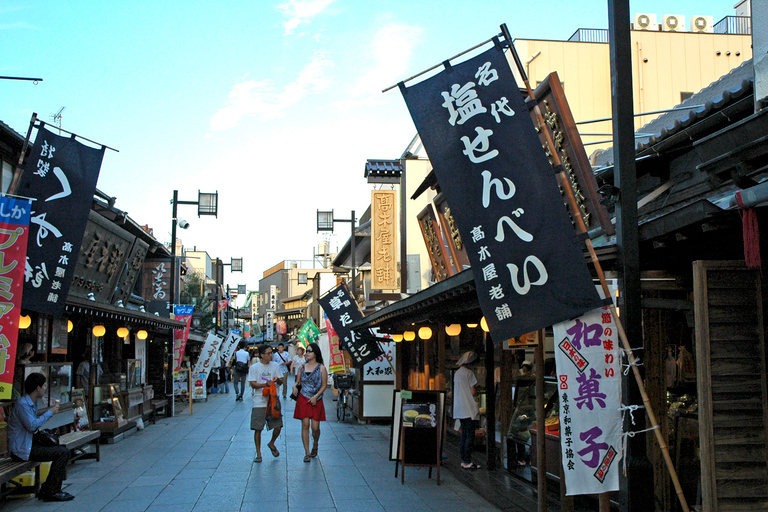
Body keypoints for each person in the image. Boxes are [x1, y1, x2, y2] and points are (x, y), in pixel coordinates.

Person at [7, 373, 73, 502]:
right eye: (43, 386)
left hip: (28, 445)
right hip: (21, 450)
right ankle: (51, 491)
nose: (45, 389)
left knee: (61, 449)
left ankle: (48, 489)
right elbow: (31, 426)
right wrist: (49, 413)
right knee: (62, 453)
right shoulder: (23, 405)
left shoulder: (31, 403)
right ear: (37, 388)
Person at [247, 344, 283, 462]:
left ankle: (272, 443)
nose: (270, 355)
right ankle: (258, 453)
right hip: (259, 401)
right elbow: (252, 383)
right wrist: (264, 385)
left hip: (273, 401)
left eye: (271, 352)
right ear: (261, 355)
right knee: (258, 428)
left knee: (278, 426)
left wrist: (278, 380)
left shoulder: (275, 366)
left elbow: (281, 380)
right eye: (268, 353)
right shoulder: (254, 367)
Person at [292, 342, 327, 463]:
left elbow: (324, 385)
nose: (307, 353)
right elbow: (298, 382)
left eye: (310, 351)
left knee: (315, 427)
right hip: (303, 397)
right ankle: (307, 452)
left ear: (316, 353)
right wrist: (295, 387)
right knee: (305, 424)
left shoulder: (321, 368)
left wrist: (316, 396)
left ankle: (315, 443)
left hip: (316, 399)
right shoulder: (302, 367)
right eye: (307, 351)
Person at [453, 350, 480, 470]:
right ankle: (467, 461)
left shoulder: (457, 373)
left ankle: (463, 459)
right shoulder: (469, 373)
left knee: (464, 434)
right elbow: (473, 391)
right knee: (470, 435)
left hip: (459, 408)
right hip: (469, 407)